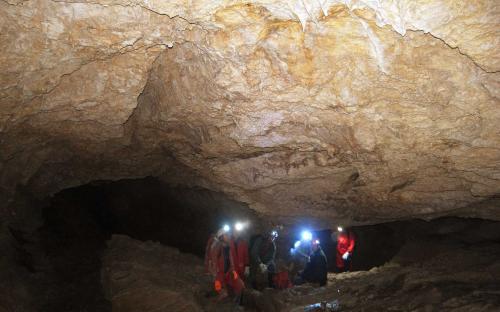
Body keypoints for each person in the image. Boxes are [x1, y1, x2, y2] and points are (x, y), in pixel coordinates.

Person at [212, 227, 245, 300]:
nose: (228, 236)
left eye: (228, 234)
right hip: (220, 273)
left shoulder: (228, 247)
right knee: (220, 288)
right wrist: (215, 273)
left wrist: (233, 270)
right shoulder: (217, 247)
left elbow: (230, 260)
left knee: (240, 285)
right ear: (221, 237)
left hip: (229, 271)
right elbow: (213, 261)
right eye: (226, 235)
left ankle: (237, 299)